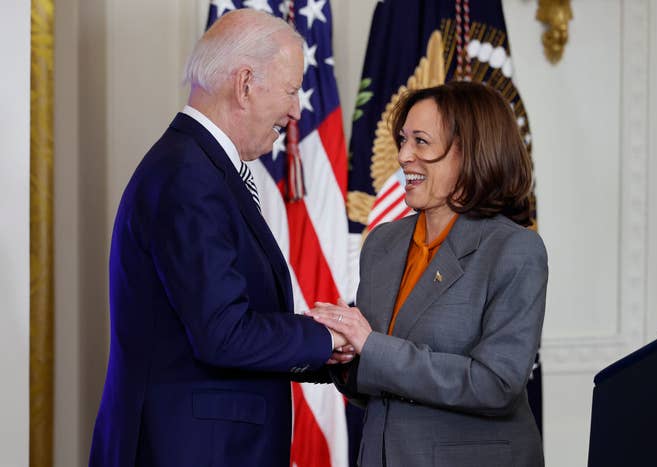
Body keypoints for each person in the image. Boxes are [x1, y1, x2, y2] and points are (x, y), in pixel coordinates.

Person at [89, 9, 352, 467]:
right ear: (245, 83)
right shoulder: (189, 175)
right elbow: (224, 333)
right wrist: (328, 337)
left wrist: (331, 354)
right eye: (291, 91)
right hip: (188, 451)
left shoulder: (197, 166)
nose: (295, 111)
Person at [308, 81, 548, 467]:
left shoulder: (514, 250)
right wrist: (344, 354)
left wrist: (370, 345)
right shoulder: (382, 244)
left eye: (421, 141)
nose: (403, 156)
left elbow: (496, 384)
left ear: (470, 151)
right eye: (403, 140)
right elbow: (378, 376)